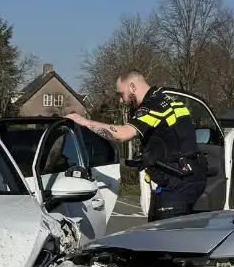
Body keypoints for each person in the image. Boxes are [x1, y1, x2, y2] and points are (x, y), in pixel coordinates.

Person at [64, 69, 207, 222]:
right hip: (187, 177)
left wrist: (85, 122)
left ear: (132, 87)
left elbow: (122, 134)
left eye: (121, 94)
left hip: (177, 182)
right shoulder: (171, 101)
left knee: (166, 238)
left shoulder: (153, 105)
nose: (121, 100)